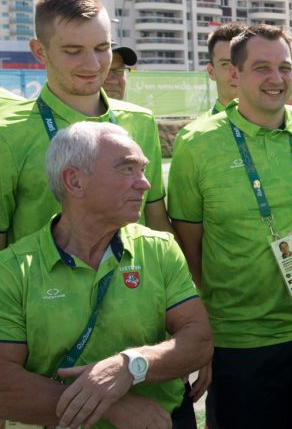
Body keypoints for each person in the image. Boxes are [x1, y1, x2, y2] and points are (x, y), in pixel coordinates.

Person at [169, 24, 292, 428]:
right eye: (262, 68)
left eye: (285, 67)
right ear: (235, 75)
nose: (276, 79)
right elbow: (189, 244)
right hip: (239, 343)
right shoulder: (196, 144)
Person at [0, 122, 211, 428]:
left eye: (142, 169)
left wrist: (132, 365)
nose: (144, 184)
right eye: (127, 169)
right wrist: (112, 406)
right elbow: (4, 381)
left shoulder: (159, 249)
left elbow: (198, 340)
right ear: (74, 181)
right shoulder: (12, 270)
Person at [0, 0, 171, 251]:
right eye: (73, 51)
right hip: (40, 292)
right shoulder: (8, 133)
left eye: (102, 48)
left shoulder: (141, 121)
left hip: (135, 289)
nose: (92, 64)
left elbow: (156, 219)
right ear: (39, 51)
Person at [205, 21, 246, 115]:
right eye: (225, 64)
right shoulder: (197, 129)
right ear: (211, 72)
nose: (235, 73)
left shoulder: (281, 123)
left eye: (242, 62)